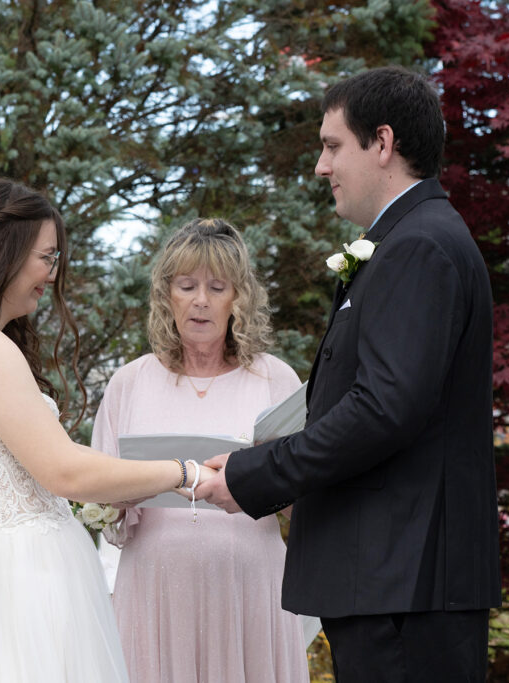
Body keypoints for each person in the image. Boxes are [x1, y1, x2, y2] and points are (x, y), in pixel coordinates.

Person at [196, 66, 502, 681]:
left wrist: (256, 473)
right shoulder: (412, 239)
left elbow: (383, 409)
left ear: (382, 144)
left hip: (403, 583)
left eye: (333, 145)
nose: (320, 166)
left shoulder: (418, 246)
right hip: (394, 580)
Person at [0, 176, 213, 682]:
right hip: (26, 585)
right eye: (45, 257)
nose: (51, 274)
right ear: (3, 253)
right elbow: (63, 472)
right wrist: (185, 473)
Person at [93, 218, 310, 683]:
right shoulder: (129, 382)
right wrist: (119, 497)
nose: (200, 301)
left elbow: (310, 499)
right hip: (155, 594)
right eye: (186, 285)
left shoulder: (275, 379)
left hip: (250, 592)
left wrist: (265, 480)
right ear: (165, 294)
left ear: (239, 298)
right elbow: (98, 499)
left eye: (217, 287)